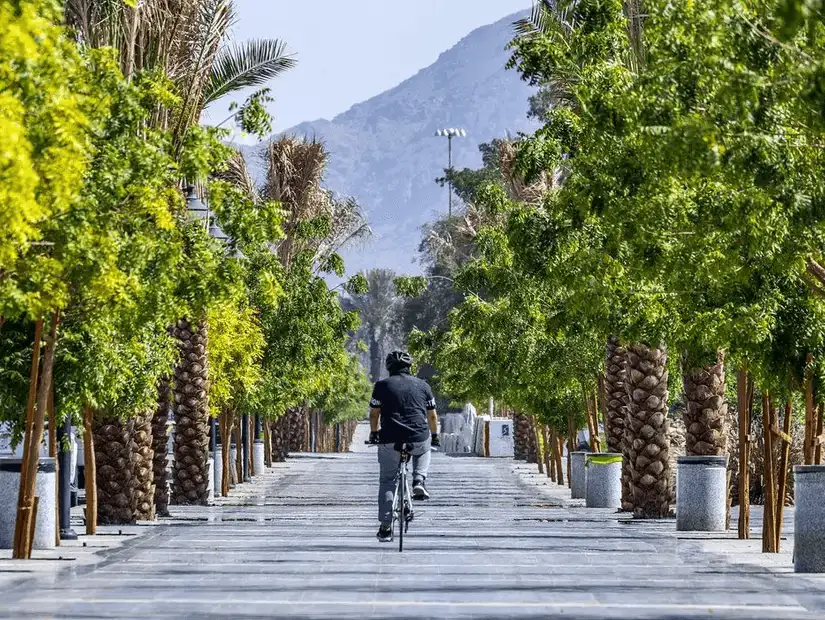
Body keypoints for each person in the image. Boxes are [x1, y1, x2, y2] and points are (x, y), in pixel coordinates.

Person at [368, 350, 439, 542]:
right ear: (410, 367)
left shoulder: (381, 386)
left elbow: (374, 414)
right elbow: (432, 416)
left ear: (389, 368)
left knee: (387, 481)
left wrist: (374, 434)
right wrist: (435, 436)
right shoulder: (424, 386)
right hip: (418, 436)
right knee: (425, 447)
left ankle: (385, 527)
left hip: (389, 438)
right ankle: (418, 480)